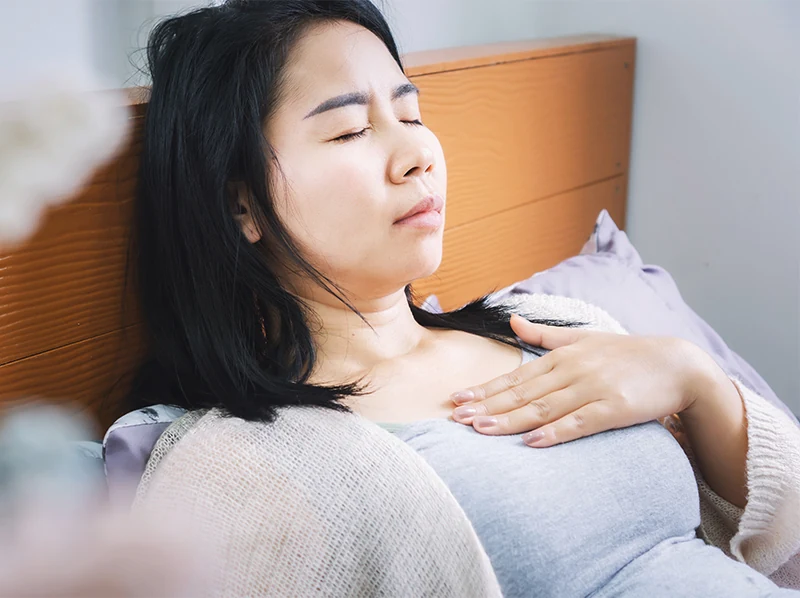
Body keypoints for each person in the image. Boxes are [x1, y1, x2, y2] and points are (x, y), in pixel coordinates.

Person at [130, 1, 800, 596]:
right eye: (350, 131)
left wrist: (695, 379)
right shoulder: (238, 467)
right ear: (240, 201)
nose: (417, 153)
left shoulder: (548, 326)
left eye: (411, 113)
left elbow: (783, 534)